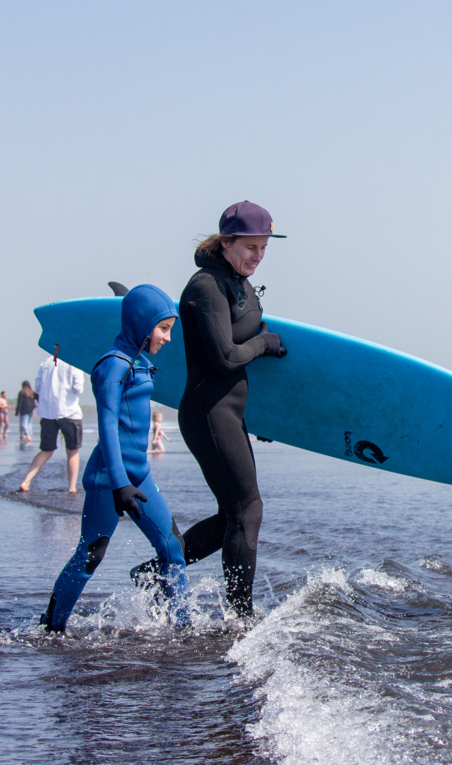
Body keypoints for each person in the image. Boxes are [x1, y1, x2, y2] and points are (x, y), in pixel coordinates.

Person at [131, 200, 287, 617]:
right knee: (247, 509)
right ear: (226, 242)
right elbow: (224, 358)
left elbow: (243, 343)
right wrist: (264, 344)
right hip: (208, 412)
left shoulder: (239, 284)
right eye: (250, 247)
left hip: (230, 413)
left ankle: (154, 572)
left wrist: (275, 416)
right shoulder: (205, 287)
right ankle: (241, 616)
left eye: (263, 249)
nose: (257, 256)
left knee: (230, 516)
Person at [40, 284, 189, 632]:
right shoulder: (112, 366)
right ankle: (52, 627)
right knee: (91, 554)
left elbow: (138, 316)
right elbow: (106, 426)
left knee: (173, 548)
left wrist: (131, 299)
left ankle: (182, 629)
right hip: (111, 478)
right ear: (141, 324)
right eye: (163, 328)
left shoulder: (136, 358)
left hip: (138, 477)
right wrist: (120, 484)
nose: (168, 338)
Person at [18, 354, 85, 493]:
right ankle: (72, 488)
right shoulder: (74, 361)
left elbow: (38, 386)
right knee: (72, 451)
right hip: (69, 412)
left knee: (46, 450)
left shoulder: (46, 362)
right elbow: (78, 388)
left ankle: (26, 481)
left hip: (48, 413)